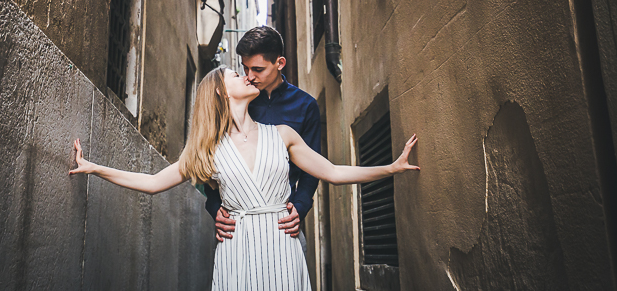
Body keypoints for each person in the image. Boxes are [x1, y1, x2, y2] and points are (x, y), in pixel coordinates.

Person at [70, 67, 419, 291]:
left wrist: (390, 167)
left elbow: (333, 172)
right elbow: (151, 183)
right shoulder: (205, 149)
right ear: (222, 92)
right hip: (237, 251)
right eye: (238, 75)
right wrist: (95, 168)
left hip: (283, 245)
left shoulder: (282, 134)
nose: (248, 77)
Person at [206, 26, 320, 245]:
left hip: (283, 224)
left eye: (257, 69)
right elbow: (210, 160)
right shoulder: (237, 99)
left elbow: (312, 170)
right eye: (245, 68)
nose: (249, 77)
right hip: (236, 227)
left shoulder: (306, 106)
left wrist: (300, 207)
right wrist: (214, 208)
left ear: (280, 63)